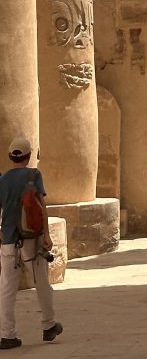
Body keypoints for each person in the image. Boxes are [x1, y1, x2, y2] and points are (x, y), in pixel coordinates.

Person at [0, 136, 63, 349]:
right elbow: (42, 207)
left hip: (8, 241)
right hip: (30, 240)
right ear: (28, 156)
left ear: (11, 157)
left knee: (7, 288)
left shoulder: (2, 180)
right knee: (42, 282)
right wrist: (46, 234)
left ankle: (8, 335)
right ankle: (48, 325)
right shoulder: (33, 175)